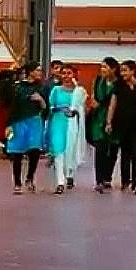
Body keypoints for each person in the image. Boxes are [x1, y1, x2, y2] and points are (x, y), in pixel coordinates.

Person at [106, 60, 136, 194]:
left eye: (125, 70)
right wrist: (109, 122)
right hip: (122, 124)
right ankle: (125, 181)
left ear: (132, 71)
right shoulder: (118, 86)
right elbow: (112, 105)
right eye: (122, 70)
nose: (123, 73)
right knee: (125, 153)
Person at [4, 62, 48, 195]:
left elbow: (46, 107)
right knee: (16, 153)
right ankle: (17, 182)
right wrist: (8, 125)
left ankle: (30, 178)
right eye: (37, 70)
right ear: (30, 72)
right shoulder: (17, 87)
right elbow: (11, 107)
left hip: (35, 121)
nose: (40, 72)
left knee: (34, 150)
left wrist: (40, 100)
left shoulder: (42, 88)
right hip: (18, 122)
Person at [46, 64, 87, 194]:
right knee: (59, 151)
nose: (66, 76)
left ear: (74, 75)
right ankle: (60, 182)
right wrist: (59, 109)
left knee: (71, 150)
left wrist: (75, 111)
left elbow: (84, 108)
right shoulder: (56, 90)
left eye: (69, 73)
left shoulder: (80, 92)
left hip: (73, 125)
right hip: (58, 123)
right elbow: (50, 107)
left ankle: (69, 173)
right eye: (64, 73)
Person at [89, 57, 121, 193]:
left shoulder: (119, 84)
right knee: (100, 147)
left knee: (113, 148)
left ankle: (108, 176)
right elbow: (92, 95)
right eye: (101, 67)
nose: (102, 70)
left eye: (105, 67)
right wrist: (92, 103)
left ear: (113, 69)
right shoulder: (97, 81)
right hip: (98, 118)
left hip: (115, 118)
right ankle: (99, 179)